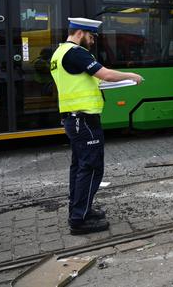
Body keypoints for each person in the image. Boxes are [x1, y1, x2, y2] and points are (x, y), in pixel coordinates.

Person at [50, 17, 143, 235]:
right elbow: (106, 74)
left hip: (74, 119)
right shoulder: (76, 52)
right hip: (84, 120)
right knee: (91, 167)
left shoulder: (59, 53)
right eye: (91, 37)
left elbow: (84, 81)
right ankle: (79, 219)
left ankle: (81, 209)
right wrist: (131, 76)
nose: (92, 42)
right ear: (80, 33)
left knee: (79, 167)